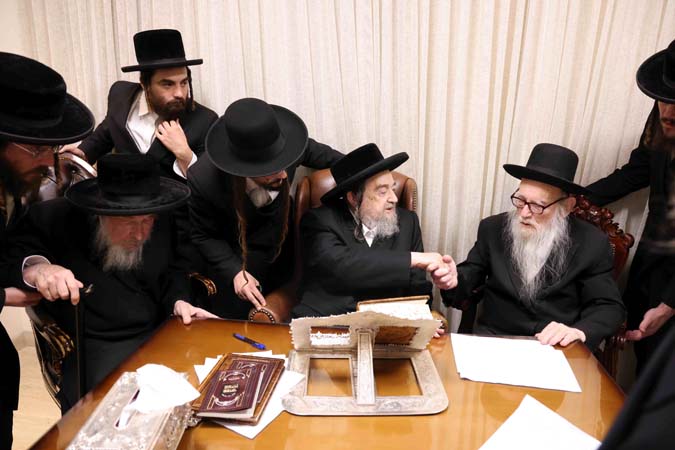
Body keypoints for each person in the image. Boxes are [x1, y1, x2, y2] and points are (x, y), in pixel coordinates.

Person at [8, 154, 216, 413]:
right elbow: (13, 257)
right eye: (128, 222)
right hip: (98, 345)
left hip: (159, 332)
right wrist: (39, 269)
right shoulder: (54, 218)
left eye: (147, 221)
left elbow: (175, 269)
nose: (139, 234)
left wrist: (179, 301)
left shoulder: (163, 216)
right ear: (100, 213)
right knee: (123, 415)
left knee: (206, 393)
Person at [440, 143, 625, 350]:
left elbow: (608, 306)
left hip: (555, 347)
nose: (524, 214)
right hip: (494, 341)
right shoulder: (492, 228)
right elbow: (470, 276)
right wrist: (452, 281)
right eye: (520, 200)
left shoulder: (592, 242)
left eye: (537, 206)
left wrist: (578, 331)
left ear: (567, 207)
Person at [0, 52, 94, 447]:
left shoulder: (12, 183)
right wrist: (3, 296)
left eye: (52, 147)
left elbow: (12, 246)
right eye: (37, 149)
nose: (49, 163)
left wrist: (34, 268)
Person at [188, 97, 343, 319]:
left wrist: (370, 174)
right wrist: (235, 273)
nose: (284, 174)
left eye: (284, 165)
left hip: (285, 256)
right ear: (244, 167)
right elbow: (204, 235)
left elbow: (338, 161)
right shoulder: (203, 179)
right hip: (238, 265)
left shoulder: (288, 146)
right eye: (272, 170)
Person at [586, 39, 675, 371]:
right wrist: (572, 197)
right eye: (665, 100)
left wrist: (669, 304)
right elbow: (636, 172)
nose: (668, 112)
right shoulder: (663, 115)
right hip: (653, 262)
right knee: (647, 363)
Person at [293, 143, 457, 318]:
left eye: (392, 188)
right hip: (329, 322)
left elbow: (418, 288)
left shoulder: (408, 222)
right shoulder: (319, 220)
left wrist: (424, 316)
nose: (394, 198)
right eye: (382, 192)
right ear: (353, 198)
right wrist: (413, 259)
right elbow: (343, 265)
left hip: (389, 326)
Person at [68, 29, 217, 182]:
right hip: (121, 194)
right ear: (145, 84)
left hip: (173, 196)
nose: (179, 93)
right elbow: (106, 132)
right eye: (168, 84)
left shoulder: (205, 121)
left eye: (184, 83)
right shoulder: (120, 94)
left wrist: (184, 154)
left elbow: (208, 186)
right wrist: (82, 153)